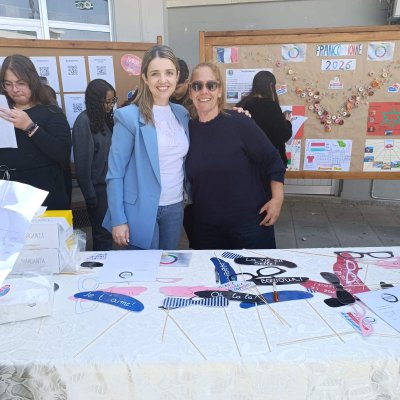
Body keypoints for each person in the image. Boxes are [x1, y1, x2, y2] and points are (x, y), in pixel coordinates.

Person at [185, 62, 286, 250]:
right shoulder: (186, 130)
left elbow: (273, 160)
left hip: (248, 227)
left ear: (219, 90)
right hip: (206, 229)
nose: (204, 91)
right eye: (197, 86)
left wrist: (277, 199)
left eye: (211, 85)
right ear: (190, 92)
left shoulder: (239, 123)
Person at [103, 45, 190, 250]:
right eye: (155, 74)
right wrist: (118, 219)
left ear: (177, 76)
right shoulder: (128, 117)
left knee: (167, 264)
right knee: (145, 267)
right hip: (139, 209)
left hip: (175, 206)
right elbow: (115, 173)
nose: (163, 80)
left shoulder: (182, 113)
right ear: (145, 78)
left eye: (169, 73)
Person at [0, 54, 71, 210]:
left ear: (32, 81)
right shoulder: (3, 111)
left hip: (45, 197)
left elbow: (63, 153)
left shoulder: (51, 112)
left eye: (20, 83)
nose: (15, 89)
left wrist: (30, 127)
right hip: (9, 198)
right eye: (8, 84)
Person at [72, 79, 115, 251]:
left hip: (111, 186)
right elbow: (82, 163)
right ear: (95, 101)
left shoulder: (105, 119)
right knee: (102, 234)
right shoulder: (83, 122)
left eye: (113, 101)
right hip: (98, 190)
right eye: (107, 101)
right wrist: (90, 196)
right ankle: (101, 266)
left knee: (110, 232)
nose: (111, 105)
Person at [236, 70, 292, 167]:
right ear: (270, 86)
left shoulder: (242, 104)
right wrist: (288, 122)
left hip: (247, 161)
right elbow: (283, 136)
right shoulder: (271, 106)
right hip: (270, 162)